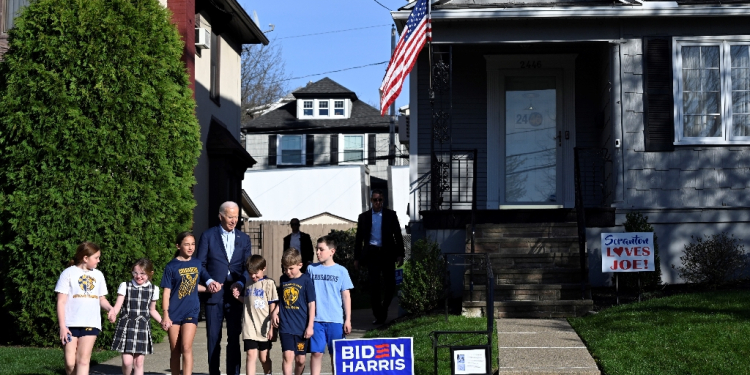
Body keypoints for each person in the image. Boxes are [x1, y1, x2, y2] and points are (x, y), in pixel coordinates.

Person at [196, 201, 253, 375]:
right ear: (220, 216)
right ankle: (214, 372)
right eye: (230, 216)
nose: (234, 220)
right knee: (214, 338)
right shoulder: (208, 236)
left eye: (236, 217)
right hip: (214, 295)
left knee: (234, 338)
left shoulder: (244, 239)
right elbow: (200, 264)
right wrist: (208, 281)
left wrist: (241, 283)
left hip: (235, 295)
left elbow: (248, 267)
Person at [161, 232, 221, 375]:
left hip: (191, 311)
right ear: (178, 246)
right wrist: (165, 314)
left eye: (193, 244)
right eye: (187, 244)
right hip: (174, 312)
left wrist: (212, 285)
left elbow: (205, 279)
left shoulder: (197, 263)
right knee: (175, 351)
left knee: (186, 347)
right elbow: (166, 293)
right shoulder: (171, 266)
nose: (190, 247)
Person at [55, 241, 114, 375]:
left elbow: (101, 299)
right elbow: (61, 302)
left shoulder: (98, 275)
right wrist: (62, 326)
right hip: (70, 324)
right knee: (70, 363)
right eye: (96, 258)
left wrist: (110, 308)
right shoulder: (68, 273)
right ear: (85, 258)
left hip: (91, 323)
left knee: (83, 361)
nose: (99, 261)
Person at [354, 189, 405, 325]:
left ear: (383, 201)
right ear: (371, 201)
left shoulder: (390, 215)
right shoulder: (364, 217)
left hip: (387, 253)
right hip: (372, 253)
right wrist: (357, 258)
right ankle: (379, 315)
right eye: (375, 200)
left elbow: (398, 235)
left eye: (380, 200)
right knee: (374, 285)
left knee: (390, 284)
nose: (378, 203)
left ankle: (384, 307)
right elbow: (359, 238)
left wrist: (400, 254)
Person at [108, 258, 163, 375]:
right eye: (135, 273)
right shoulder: (125, 286)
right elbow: (118, 305)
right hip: (126, 325)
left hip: (142, 326)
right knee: (127, 362)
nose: (138, 276)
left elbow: (152, 310)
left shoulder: (154, 289)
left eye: (142, 273)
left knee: (138, 362)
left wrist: (162, 321)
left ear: (150, 273)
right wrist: (113, 313)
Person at [307, 236, 353, 375]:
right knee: (316, 353)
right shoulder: (311, 269)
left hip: (335, 320)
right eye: (317, 249)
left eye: (321, 249)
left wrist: (348, 319)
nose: (318, 252)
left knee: (336, 355)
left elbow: (346, 296)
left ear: (332, 251)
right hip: (316, 320)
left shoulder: (341, 271)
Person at [272, 248, 316, 375]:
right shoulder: (283, 279)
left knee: (300, 360)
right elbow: (283, 300)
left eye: (291, 268)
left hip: (301, 327)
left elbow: (311, 304)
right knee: (287, 356)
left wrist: (310, 326)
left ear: (300, 265)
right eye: (285, 268)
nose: (288, 272)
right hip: (286, 325)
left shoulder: (306, 280)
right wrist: (275, 310)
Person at [232, 255, 278, 375]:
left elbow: (272, 306)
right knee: (250, 355)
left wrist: (272, 328)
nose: (253, 276)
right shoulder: (248, 283)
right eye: (250, 273)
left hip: (264, 327)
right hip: (249, 326)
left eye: (256, 273)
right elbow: (248, 300)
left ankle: (268, 373)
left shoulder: (269, 283)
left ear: (264, 268)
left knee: (263, 358)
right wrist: (238, 297)